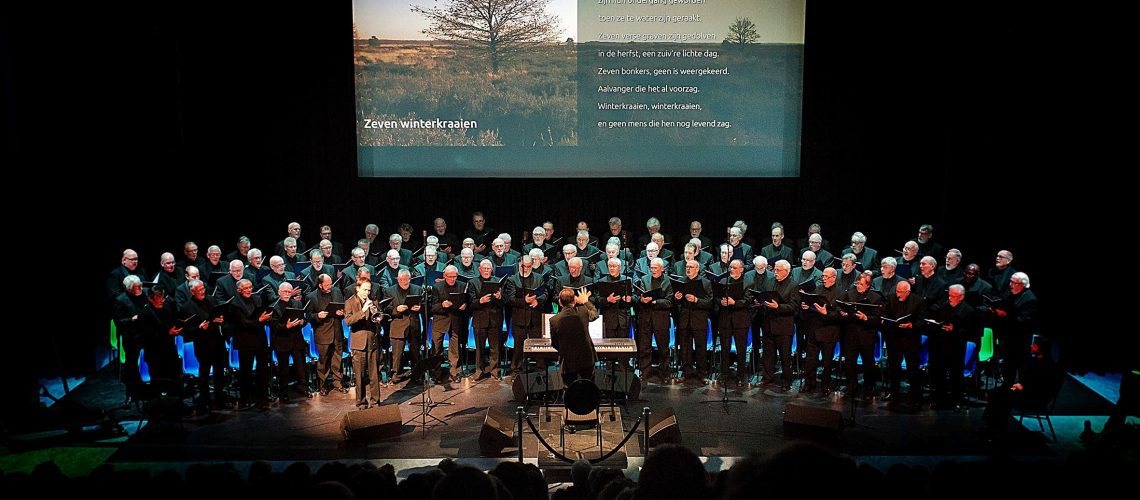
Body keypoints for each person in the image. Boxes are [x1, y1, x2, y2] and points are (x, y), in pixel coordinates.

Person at [981, 337, 1064, 440]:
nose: (1031, 346)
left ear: (1041, 348)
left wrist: (1022, 388)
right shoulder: (1037, 361)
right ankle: (990, 425)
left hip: (1033, 398)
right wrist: (1019, 386)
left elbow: (1041, 389)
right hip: (1026, 392)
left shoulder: (1047, 365)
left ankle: (996, 430)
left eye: (1034, 345)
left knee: (1001, 398)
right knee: (997, 392)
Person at [926, 284, 977, 409]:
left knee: (956, 375)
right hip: (940, 345)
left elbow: (971, 330)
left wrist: (954, 329)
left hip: (957, 347)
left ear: (961, 297)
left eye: (953, 296)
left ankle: (957, 401)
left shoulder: (968, 311)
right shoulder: (943, 306)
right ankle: (940, 399)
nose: (950, 298)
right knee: (939, 373)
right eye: (949, 295)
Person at [180, 279, 227, 409]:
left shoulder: (211, 300)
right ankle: (204, 399)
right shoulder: (187, 307)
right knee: (204, 372)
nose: (202, 292)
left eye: (203, 289)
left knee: (219, 372)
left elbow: (218, 316)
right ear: (192, 291)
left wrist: (220, 319)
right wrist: (199, 328)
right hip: (202, 345)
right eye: (199, 290)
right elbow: (186, 331)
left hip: (217, 341)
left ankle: (219, 398)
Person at [230, 278, 274, 407]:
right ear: (239, 290)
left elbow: (261, 315)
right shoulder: (234, 304)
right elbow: (243, 323)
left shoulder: (257, 299)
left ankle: (263, 397)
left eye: (250, 287)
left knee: (263, 370)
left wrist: (265, 318)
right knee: (246, 371)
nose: (249, 290)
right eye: (246, 288)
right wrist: (260, 320)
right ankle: (245, 398)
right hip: (245, 340)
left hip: (260, 339)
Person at [839, 271, 883, 399]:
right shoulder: (849, 294)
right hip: (851, 334)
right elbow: (841, 308)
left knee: (868, 364)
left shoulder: (876, 298)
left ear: (868, 285)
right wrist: (844, 313)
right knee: (850, 363)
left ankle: (868, 389)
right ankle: (851, 387)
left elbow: (878, 318)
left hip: (867, 335)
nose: (858, 286)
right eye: (857, 283)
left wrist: (866, 318)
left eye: (861, 284)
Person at [882, 280, 925, 408]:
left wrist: (912, 325)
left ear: (908, 292)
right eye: (897, 292)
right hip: (894, 339)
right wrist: (886, 322)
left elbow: (923, 320)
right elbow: (885, 313)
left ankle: (915, 395)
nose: (898, 295)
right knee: (894, 368)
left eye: (901, 292)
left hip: (910, 340)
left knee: (913, 368)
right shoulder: (891, 298)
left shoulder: (918, 301)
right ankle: (893, 392)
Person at [992, 271, 1038, 385]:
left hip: (1020, 341)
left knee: (1021, 367)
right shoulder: (1011, 293)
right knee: (1007, 366)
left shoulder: (1030, 299)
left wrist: (1005, 315)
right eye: (1010, 282)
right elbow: (1002, 300)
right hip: (1007, 337)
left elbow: (1024, 321)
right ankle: (1007, 388)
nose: (1011, 285)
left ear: (1023, 284)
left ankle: (1022, 391)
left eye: (1015, 283)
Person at [504, 255, 547, 375]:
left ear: (532, 266)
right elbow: (510, 299)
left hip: (535, 317)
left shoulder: (539, 278)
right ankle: (516, 369)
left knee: (538, 345)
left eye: (528, 266)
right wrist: (525, 301)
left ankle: (540, 369)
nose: (526, 269)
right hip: (520, 318)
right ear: (519, 265)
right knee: (518, 346)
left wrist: (537, 301)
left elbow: (545, 293)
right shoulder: (512, 279)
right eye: (523, 266)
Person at [760, 260, 798, 390]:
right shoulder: (770, 281)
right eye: (774, 269)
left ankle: (786, 381)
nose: (775, 272)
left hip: (783, 326)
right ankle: (767, 377)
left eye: (778, 270)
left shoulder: (793, 285)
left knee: (785, 356)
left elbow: (794, 306)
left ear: (787, 271)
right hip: (768, 324)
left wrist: (778, 307)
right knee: (768, 354)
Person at [306, 273, 346, 396]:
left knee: (337, 358)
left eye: (331, 283)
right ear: (320, 285)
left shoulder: (337, 291)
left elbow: (343, 308)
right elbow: (308, 316)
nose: (330, 286)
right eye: (327, 284)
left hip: (337, 331)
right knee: (323, 360)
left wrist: (342, 313)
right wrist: (317, 316)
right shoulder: (311, 297)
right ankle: (322, 385)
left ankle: (337, 382)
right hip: (323, 333)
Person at [635, 258, 674, 382]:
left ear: (662, 269)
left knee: (663, 348)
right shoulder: (645, 279)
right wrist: (642, 300)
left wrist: (655, 301)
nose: (653, 270)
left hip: (661, 319)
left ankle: (664, 373)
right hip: (646, 318)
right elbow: (639, 296)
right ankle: (645, 371)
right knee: (644, 346)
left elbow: (669, 302)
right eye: (651, 268)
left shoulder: (668, 281)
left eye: (655, 268)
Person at [550, 288, 600, 385]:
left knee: (569, 388)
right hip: (586, 358)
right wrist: (586, 301)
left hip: (567, 361)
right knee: (588, 386)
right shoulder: (583, 312)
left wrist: (565, 351)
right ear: (574, 301)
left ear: (560, 302)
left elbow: (555, 343)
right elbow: (595, 314)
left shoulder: (554, 320)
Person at [345, 277, 381, 408]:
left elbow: (379, 318)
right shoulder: (350, 302)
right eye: (365, 290)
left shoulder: (373, 301)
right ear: (357, 288)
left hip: (372, 342)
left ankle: (375, 401)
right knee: (360, 376)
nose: (367, 292)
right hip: (358, 344)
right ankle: (361, 402)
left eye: (369, 290)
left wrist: (375, 314)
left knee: (374, 375)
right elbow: (348, 321)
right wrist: (363, 310)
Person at [673, 259, 712, 381]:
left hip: (699, 319)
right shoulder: (681, 281)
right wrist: (677, 298)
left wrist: (696, 300)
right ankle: (686, 372)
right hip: (685, 319)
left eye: (691, 267)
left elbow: (710, 302)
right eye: (687, 267)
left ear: (697, 269)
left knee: (701, 347)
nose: (688, 269)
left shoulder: (705, 283)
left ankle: (702, 373)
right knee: (685, 347)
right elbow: (676, 303)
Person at [270, 282, 309, 401]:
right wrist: (286, 326)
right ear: (279, 292)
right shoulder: (274, 307)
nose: (287, 294)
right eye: (285, 292)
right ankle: (284, 392)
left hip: (297, 340)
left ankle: (303, 388)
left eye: (289, 292)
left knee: (301, 367)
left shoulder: (297, 303)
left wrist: (303, 322)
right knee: (284, 369)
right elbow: (274, 326)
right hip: (282, 341)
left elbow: (304, 318)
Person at [383, 269, 424, 380]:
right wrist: (396, 309)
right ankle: (396, 374)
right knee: (397, 354)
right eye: (403, 280)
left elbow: (425, 306)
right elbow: (386, 309)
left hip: (413, 326)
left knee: (415, 353)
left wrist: (420, 308)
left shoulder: (417, 289)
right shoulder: (389, 291)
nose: (405, 282)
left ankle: (417, 374)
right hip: (398, 326)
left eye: (408, 279)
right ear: (398, 279)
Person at [431, 265, 469, 382]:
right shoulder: (437, 287)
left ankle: (454, 372)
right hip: (440, 321)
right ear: (444, 276)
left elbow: (467, 303)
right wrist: (442, 305)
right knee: (437, 349)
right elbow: (432, 307)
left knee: (454, 349)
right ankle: (437, 374)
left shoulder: (462, 286)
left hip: (455, 321)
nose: (452, 279)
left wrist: (465, 306)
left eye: (454, 276)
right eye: (450, 276)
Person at [469, 260, 505, 380]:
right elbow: (470, 303)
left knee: (495, 347)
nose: (486, 271)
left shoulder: (497, 282)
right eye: (484, 268)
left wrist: (500, 298)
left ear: (491, 270)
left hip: (495, 319)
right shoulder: (473, 282)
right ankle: (479, 371)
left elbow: (504, 303)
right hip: (480, 320)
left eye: (488, 269)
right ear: (479, 269)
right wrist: (480, 301)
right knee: (480, 347)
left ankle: (494, 371)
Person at [597, 257, 633, 339]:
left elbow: (635, 297)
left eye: (614, 266)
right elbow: (597, 299)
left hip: (623, 318)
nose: (612, 268)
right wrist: (607, 300)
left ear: (620, 267)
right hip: (609, 319)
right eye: (610, 266)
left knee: (624, 346)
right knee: (609, 345)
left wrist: (630, 299)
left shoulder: (628, 280)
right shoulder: (602, 281)